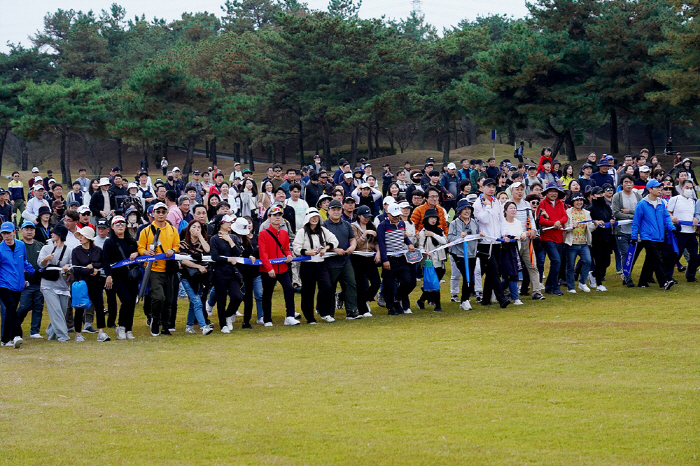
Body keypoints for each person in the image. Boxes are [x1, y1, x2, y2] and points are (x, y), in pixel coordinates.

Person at [138, 202, 180, 336]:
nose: (161, 214)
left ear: (167, 213)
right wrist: (146, 253)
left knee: (168, 299)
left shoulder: (172, 230)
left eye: (163, 212)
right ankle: (155, 320)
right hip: (153, 269)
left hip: (168, 268)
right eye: (158, 212)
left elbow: (177, 245)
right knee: (158, 297)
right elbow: (140, 248)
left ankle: (165, 325)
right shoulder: (146, 230)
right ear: (153, 214)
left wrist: (172, 250)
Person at [292, 208, 338, 324]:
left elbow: (334, 240)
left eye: (316, 217)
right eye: (312, 217)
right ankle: (309, 317)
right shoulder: (302, 231)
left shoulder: (322, 230)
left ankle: (324, 312)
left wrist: (326, 248)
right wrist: (308, 252)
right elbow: (296, 247)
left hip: (321, 264)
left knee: (327, 286)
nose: (314, 219)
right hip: (307, 265)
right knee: (308, 291)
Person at [630, 179, 676, 290]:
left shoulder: (661, 203)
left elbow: (666, 217)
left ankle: (642, 282)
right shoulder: (642, 204)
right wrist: (633, 236)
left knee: (650, 260)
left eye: (661, 187)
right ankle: (664, 281)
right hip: (647, 237)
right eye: (658, 188)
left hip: (660, 236)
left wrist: (671, 227)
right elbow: (636, 222)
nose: (660, 190)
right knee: (657, 259)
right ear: (650, 189)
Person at [473, 178, 511, 308]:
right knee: (493, 270)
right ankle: (501, 299)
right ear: (482, 187)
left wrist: (503, 234)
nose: (491, 189)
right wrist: (488, 206)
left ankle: (485, 299)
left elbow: (501, 219)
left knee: (492, 271)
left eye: (493, 186)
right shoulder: (478, 204)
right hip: (485, 242)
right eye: (488, 186)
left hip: (496, 241)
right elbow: (483, 219)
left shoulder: (497, 202)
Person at [102, 216, 142, 340]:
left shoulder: (131, 241)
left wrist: (137, 253)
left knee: (131, 303)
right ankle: (121, 327)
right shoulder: (109, 242)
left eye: (122, 224)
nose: (120, 226)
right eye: (117, 224)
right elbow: (105, 260)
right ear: (112, 227)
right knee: (126, 301)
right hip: (118, 276)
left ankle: (128, 329)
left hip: (132, 276)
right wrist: (108, 275)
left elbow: (139, 253)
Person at [258, 205, 298, 326]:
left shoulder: (284, 233)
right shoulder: (263, 233)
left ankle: (290, 316)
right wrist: (269, 268)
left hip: (283, 268)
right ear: (269, 217)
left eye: (279, 215)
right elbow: (263, 253)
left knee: (289, 290)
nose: (277, 218)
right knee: (267, 293)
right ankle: (267, 319)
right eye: (274, 215)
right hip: (268, 269)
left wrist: (289, 255)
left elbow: (286, 248)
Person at [323, 200, 361, 320]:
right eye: (333, 209)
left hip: (345, 261)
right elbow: (321, 244)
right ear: (328, 211)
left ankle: (352, 311)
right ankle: (329, 313)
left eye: (338, 209)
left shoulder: (346, 224)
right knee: (330, 287)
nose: (336, 212)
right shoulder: (324, 225)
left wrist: (352, 247)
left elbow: (352, 239)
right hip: (330, 262)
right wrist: (335, 250)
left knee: (351, 284)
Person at [71, 226, 110, 342]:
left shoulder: (98, 250)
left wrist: (94, 266)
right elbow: (76, 268)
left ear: (89, 238)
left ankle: (101, 332)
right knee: (79, 308)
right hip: (81, 284)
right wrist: (91, 271)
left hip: (95, 283)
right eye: (80, 236)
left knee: (99, 306)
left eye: (83, 236)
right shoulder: (76, 251)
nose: (80, 238)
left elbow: (103, 263)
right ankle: (78, 333)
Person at [377, 203, 417, 315]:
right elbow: (382, 244)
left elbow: (404, 237)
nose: (396, 218)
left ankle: (397, 298)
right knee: (389, 285)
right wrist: (385, 260)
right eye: (394, 216)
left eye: (398, 216)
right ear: (388, 214)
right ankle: (390, 308)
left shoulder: (401, 223)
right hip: (389, 259)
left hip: (401, 259)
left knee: (407, 281)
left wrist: (409, 243)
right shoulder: (382, 226)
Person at [0, 222, 35, 348]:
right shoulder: (0, 249)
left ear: (14, 232)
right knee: (10, 307)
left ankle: (4, 339)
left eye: (8, 233)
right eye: (3, 233)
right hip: (3, 284)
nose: (6, 236)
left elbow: (24, 262)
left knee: (11, 310)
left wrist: (34, 273)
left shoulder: (21, 245)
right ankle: (16, 335)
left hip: (18, 284)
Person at [208, 214, 244, 333]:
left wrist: (230, 241)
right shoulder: (214, 239)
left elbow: (238, 252)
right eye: (227, 222)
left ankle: (228, 315)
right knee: (221, 299)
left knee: (237, 297)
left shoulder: (233, 237)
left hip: (233, 273)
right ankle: (223, 324)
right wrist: (229, 259)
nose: (230, 224)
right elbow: (214, 256)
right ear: (221, 224)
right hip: (220, 273)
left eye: (230, 222)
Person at [537, 182, 568, 296]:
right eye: (551, 191)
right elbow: (540, 219)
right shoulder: (542, 204)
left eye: (555, 192)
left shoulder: (560, 203)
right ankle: (555, 286)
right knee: (556, 261)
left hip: (559, 236)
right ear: (546, 193)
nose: (553, 194)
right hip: (547, 237)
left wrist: (559, 222)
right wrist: (553, 223)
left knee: (556, 263)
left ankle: (550, 286)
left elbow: (565, 216)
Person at [448, 199, 479, 310]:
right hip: (459, 254)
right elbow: (450, 238)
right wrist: (459, 237)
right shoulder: (454, 223)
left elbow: (477, 236)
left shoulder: (474, 222)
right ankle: (465, 300)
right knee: (467, 276)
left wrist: (481, 235)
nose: (467, 211)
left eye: (468, 209)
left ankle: (464, 300)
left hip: (472, 254)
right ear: (459, 211)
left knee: (470, 276)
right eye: (464, 209)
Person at [350, 205, 381, 317]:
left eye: (369, 216)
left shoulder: (372, 225)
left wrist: (378, 252)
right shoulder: (353, 226)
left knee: (376, 282)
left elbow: (376, 242)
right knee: (360, 284)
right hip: (357, 257)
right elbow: (356, 244)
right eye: (365, 216)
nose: (367, 218)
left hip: (370, 257)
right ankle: (363, 310)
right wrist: (364, 234)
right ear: (359, 216)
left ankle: (364, 299)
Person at [16, 221, 44, 339]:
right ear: (21, 231)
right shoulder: (18, 246)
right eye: (26, 229)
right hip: (24, 283)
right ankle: (14, 326)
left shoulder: (40, 245)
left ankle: (35, 331)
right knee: (24, 306)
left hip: (39, 282)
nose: (29, 232)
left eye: (31, 229)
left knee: (38, 307)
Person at [612, 174, 641, 287]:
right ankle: (627, 278)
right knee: (625, 253)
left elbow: (640, 211)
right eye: (626, 182)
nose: (628, 184)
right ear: (622, 184)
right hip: (621, 231)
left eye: (630, 182)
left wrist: (629, 211)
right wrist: (632, 217)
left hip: (634, 231)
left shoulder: (638, 196)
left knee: (632, 254)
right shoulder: (617, 196)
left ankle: (626, 274)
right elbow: (616, 212)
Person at [667, 179, 699, 282]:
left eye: (691, 188)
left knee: (694, 256)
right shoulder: (675, 199)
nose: (689, 190)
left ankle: (690, 276)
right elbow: (668, 213)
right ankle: (668, 276)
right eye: (687, 188)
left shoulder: (693, 201)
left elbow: (695, 215)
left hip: (691, 233)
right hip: (680, 232)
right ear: (682, 188)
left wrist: (695, 219)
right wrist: (672, 218)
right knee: (676, 255)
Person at [416, 208, 447, 312]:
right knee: (435, 284)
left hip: (441, 259)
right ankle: (438, 306)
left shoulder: (439, 230)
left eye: (435, 218)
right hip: (430, 261)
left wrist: (433, 234)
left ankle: (421, 300)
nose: (433, 220)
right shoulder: (422, 233)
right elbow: (420, 247)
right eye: (431, 218)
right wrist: (425, 251)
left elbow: (444, 241)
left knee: (435, 282)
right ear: (426, 219)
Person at [501, 201, 526, 305]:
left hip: (516, 250)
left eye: (514, 208)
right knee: (512, 275)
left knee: (509, 276)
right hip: (506, 251)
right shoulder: (502, 222)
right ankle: (515, 298)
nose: (513, 210)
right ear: (505, 210)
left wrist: (523, 234)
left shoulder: (518, 222)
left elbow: (521, 233)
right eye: (510, 208)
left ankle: (496, 290)